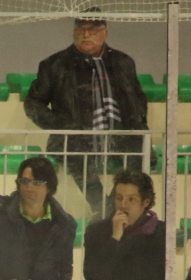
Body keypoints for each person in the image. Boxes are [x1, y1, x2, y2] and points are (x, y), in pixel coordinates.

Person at [23, 12, 150, 217]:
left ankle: (117, 208)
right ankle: (104, 210)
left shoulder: (124, 62)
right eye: (81, 29)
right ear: (74, 32)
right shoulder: (54, 64)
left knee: (139, 155)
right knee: (77, 153)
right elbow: (32, 103)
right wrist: (63, 126)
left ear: (105, 33)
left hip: (122, 137)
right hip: (75, 139)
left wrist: (137, 123)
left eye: (93, 30)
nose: (86, 34)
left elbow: (137, 98)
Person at [0, 156, 78, 280]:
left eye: (37, 182)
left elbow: (65, 270)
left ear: (49, 186)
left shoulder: (64, 224)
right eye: (24, 181)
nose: (29, 188)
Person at [83, 170, 166, 280]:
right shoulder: (97, 230)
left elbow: (154, 279)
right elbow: (94, 278)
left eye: (131, 199)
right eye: (119, 198)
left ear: (146, 202)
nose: (123, 205)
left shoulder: (162, 232)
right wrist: (115, 238)